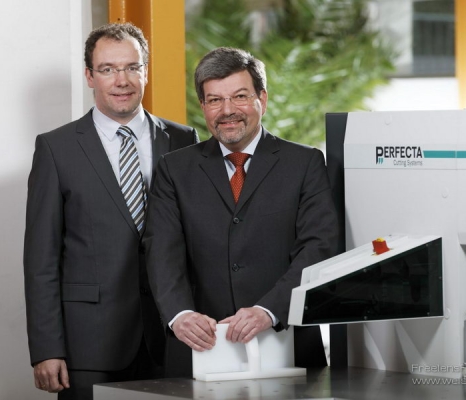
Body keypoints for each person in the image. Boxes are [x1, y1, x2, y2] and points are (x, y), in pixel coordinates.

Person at [23, 22, 198, 400]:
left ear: (146, 72)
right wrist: (47, 348)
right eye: (108, 69)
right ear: (90, 76)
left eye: (132, 67)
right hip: (89, 344)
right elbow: (41, 260)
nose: (122, 80)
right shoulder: (56, 149)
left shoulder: (184, 140)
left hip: (171, 338)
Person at [144, 47, 338, 377]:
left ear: (262, 98)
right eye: (215, 100)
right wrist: (180, 315)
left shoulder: (304, 163)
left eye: (240, 96)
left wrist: (269, 310)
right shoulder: (174, 169)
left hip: (286, 341)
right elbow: (161, 251)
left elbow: (319, 247)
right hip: (200, 346)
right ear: (203, 106)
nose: (228, 110)